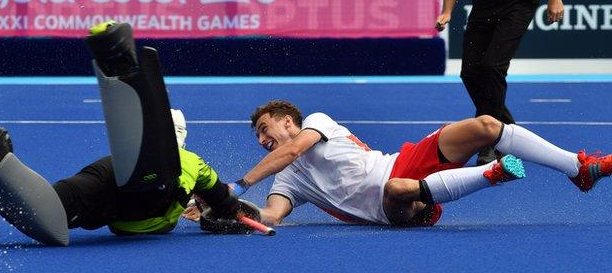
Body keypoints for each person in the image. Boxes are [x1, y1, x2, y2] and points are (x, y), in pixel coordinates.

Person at [0, 22, 255, 246]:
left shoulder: (191, 170)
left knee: (52, 220)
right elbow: (222, 197)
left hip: (109, 185)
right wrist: (232, 212)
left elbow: (220, 198)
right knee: (150, 175)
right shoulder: (191, 161)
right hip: (141, 183)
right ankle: (119, 62)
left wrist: (222, 210)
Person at [222, 100, 610, 227]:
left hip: (403, 161)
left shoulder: (316, 123)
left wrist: (238, 185)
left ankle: (578, 169)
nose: (260, 139)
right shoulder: (288, 179)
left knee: (487, 126)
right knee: (396, 188)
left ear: (287, 120)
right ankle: (491, 173)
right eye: (257, 136)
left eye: (263, 128)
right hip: (395, 208)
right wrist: (225, 210)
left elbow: (289, 151)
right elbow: (270, 215)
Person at [434, 0, 565, 165]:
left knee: (492, 67)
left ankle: (489, 142)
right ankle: (508, 131)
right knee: (470, 73)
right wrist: (447, 10)